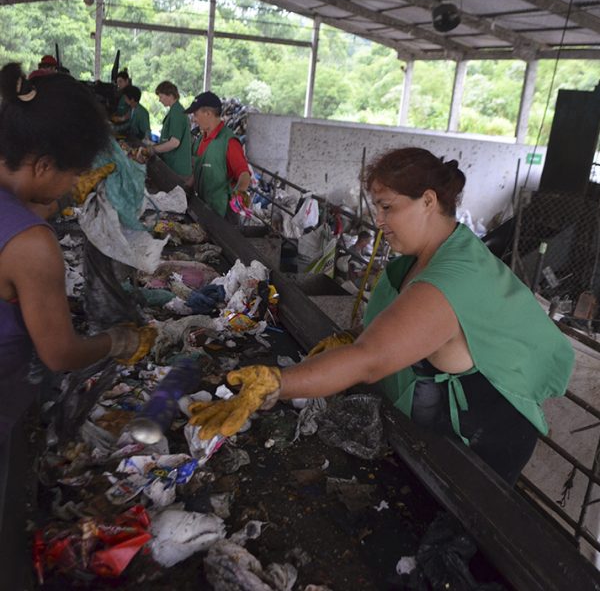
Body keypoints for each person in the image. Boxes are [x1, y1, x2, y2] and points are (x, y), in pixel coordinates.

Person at [188, 147, 575, 487]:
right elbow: (397, 327)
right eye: (376, 207)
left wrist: (272, 385)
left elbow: (370, 360)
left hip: (479, 439)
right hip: (438, 410)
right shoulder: (426, 254)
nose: (378, 221)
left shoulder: (450, 279)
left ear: (427, 201)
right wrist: (353, 335)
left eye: (387, 207)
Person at [0, 62, 155, 589]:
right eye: (73, 173)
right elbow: (60, 354)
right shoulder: (29, 243)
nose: (73, 187)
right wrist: (118, 339)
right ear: (44, 164)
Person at [184, 91, 250, 217]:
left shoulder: (229, 142)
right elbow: (199, 168)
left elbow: (244, 175)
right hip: (202, 208)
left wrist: (240, 193)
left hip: (221, 215)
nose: (194, 119)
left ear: (208, 114)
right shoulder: (200, 140)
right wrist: (187, 187)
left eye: (196, 114)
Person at [151, 80, 192, 178]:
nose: (159, 100)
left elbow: (174, 142)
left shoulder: (177, 112)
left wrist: (153, 149)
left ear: (170, 95)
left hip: (177, 168)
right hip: (172, 164)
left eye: (161, 97)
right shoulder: (174, 111)